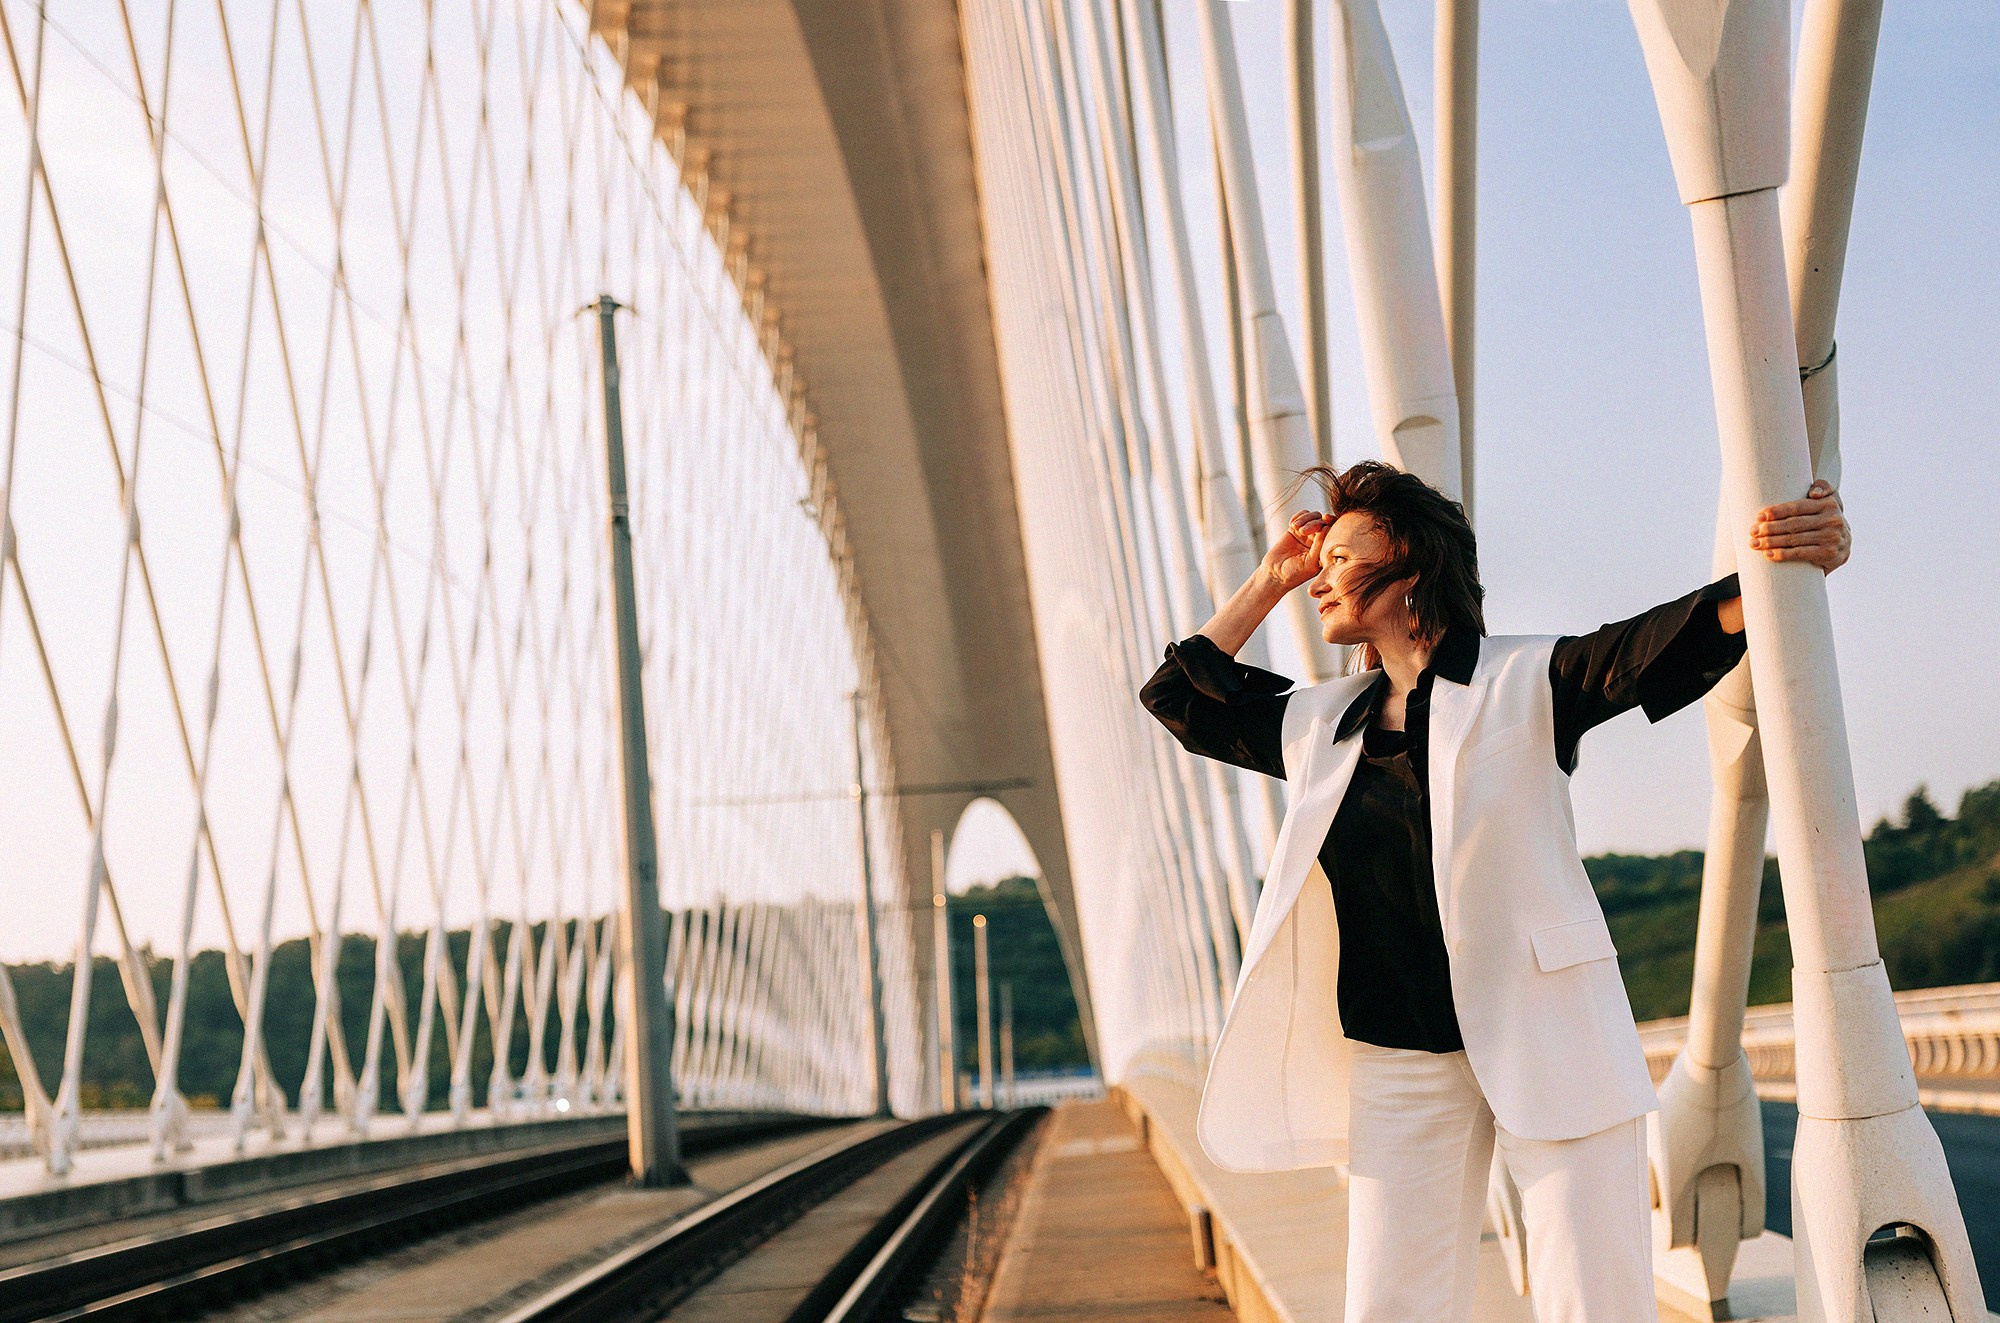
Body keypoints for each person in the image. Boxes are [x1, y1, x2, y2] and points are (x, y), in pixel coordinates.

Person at [1139, 461, 1851, 1323]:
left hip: (1552, 1030)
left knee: (1596, 1303)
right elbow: (1179, 695)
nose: (1319, 575)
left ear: (1411, 568)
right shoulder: (1319, 721)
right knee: (1388, 1308)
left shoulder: (1529, 680)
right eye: (1316, 562)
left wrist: (1790, 564)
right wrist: (1271, 576)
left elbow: (1661, 642)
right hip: (1400, 1057)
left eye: (1341, 556)